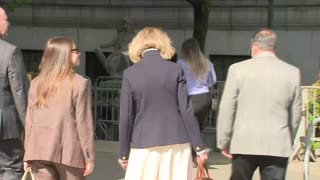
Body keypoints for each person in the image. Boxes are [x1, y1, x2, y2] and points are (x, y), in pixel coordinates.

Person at [118, 27, 208, 180]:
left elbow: (126, 116)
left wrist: (123, 153)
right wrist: (199, 148)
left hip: (144, 143)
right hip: (177, 143)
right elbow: (186, 111)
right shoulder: (175, 69)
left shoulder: (130, 74)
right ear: (163, 43)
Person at [217, 28, 302, 180]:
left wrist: (224, 140)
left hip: (244, 142)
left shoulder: (237, 70)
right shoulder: (292, 72)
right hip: (277, 143)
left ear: (254, 47)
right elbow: (296, 115)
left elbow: (227, 108)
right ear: (274, 47)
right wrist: (288, 137)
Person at [23, 37, 95, 180]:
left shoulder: (36, 82)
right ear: (64, 54)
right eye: (75, 51)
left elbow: (30, 122)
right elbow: (84, 124)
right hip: (69, 154)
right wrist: (89, 156)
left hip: (38, 152)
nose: (79, 53)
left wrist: (27, 154)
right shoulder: (80, 83)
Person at [0, 7, 29, 180]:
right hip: (5, 125)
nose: (8, 24)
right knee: (10, 167)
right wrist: (30, 129)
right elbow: (20, 93)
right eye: (6, 20)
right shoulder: (10, 51)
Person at [177, 38, 216, 166]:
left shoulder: (181, 63)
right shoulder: (207, 63)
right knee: (199, 127)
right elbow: (212, 81)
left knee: (187, 128)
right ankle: (199, 154)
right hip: (205, 97)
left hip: (190, 98)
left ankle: (191, 157)